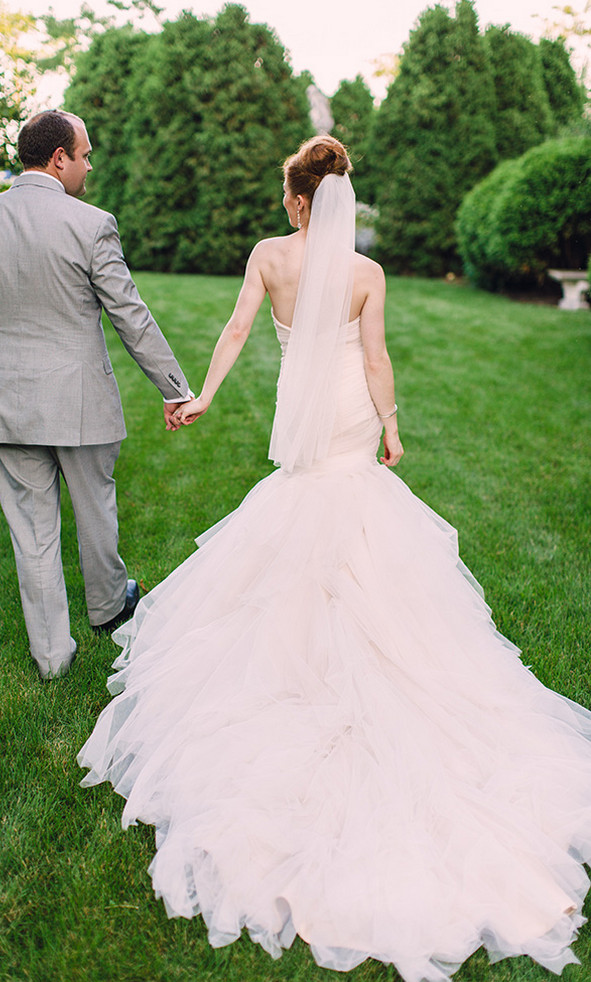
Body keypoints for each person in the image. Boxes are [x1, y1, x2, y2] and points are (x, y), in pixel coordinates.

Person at [78, 136, 591, 981]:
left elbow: (240, 326)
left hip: (303, 420)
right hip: (349, 416)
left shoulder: (270, 258)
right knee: (358, 517)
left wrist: (201, 396)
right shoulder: (367, 273)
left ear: (294, 200)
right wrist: (390, 426)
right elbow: (378, 358)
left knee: (296, 511)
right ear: (341, 201)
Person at [0, 109, 192, 680]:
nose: (88, 164)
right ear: (58, 158)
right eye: (84, 154)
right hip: (81, 403)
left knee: (31, 535)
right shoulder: (92, 224)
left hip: (6, 405)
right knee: (95, 514)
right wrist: (174, 388)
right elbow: (130, 316)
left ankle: (52, 656)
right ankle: (108, 607)